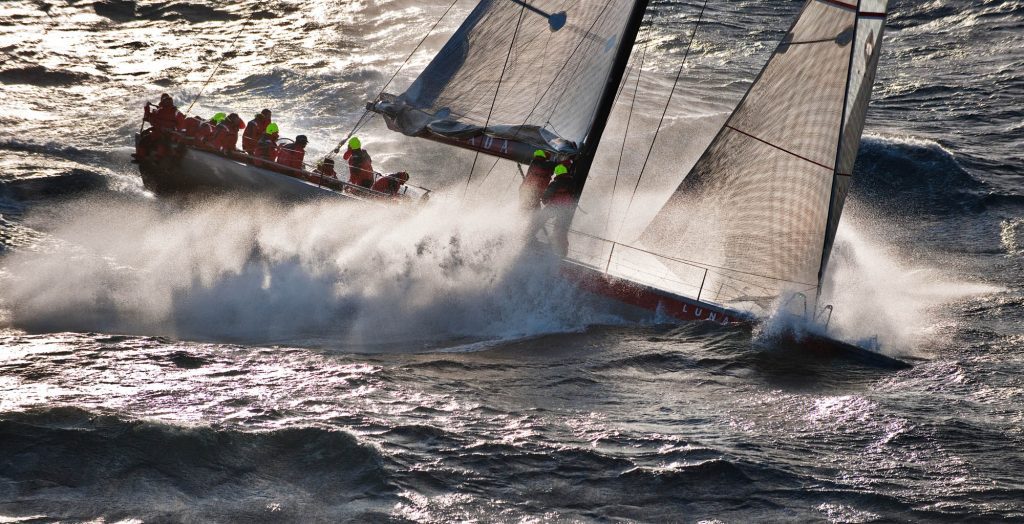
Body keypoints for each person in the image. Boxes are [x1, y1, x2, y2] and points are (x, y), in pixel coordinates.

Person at [539, 164, 576, 256]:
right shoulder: (573, 183)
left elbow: (546, 196)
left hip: (554, 206)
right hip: (566, 210)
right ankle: (562, 252)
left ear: (557, 173)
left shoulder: (555, 183)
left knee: (539, 220)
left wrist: (544, 200)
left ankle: (527, 236)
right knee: (560, 231)